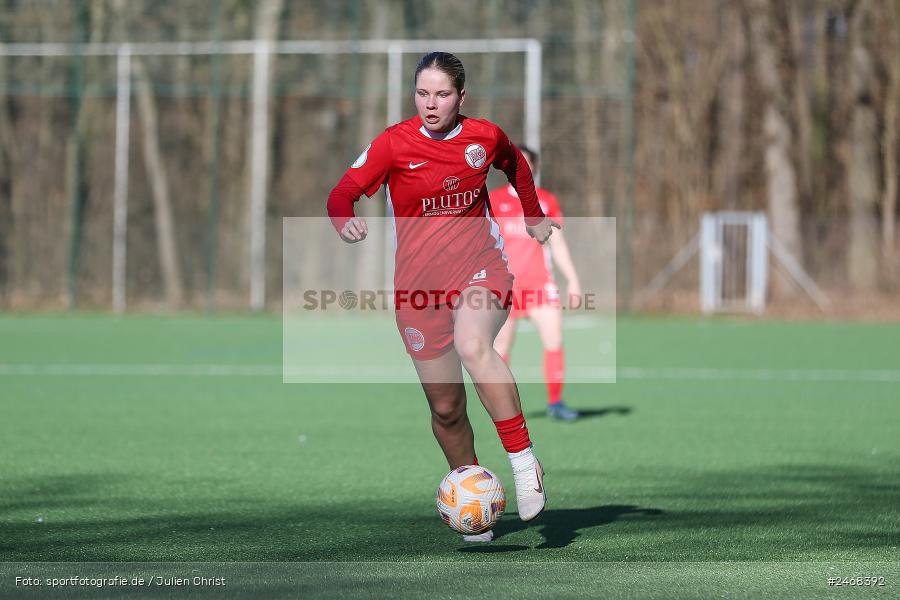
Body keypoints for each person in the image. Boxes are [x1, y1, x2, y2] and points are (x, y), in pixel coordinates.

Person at [326, 52, 559, 542]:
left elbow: (516, 166)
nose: (431, 104)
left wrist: (534, 215)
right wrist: (343, 216)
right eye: (422, 93)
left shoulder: (484, 136)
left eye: (442, 94)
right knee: (446, 409)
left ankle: (522, 461)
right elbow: (341, 191)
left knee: (475, 346)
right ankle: (471, 494)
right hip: (417, 291)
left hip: (481, 270)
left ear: (461, 97)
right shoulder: (394, 144)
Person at [489, 147, 582, 421]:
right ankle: (501, 407)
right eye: (514, 164)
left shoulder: (546, 201)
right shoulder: (493, 200)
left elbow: (558, 243)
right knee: (500, 348)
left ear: (535, 168)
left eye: (525, 164)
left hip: (540, 286)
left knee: (554, 339)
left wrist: (573, 280)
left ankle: (556, 402)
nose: (520, 169)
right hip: (505, 286)